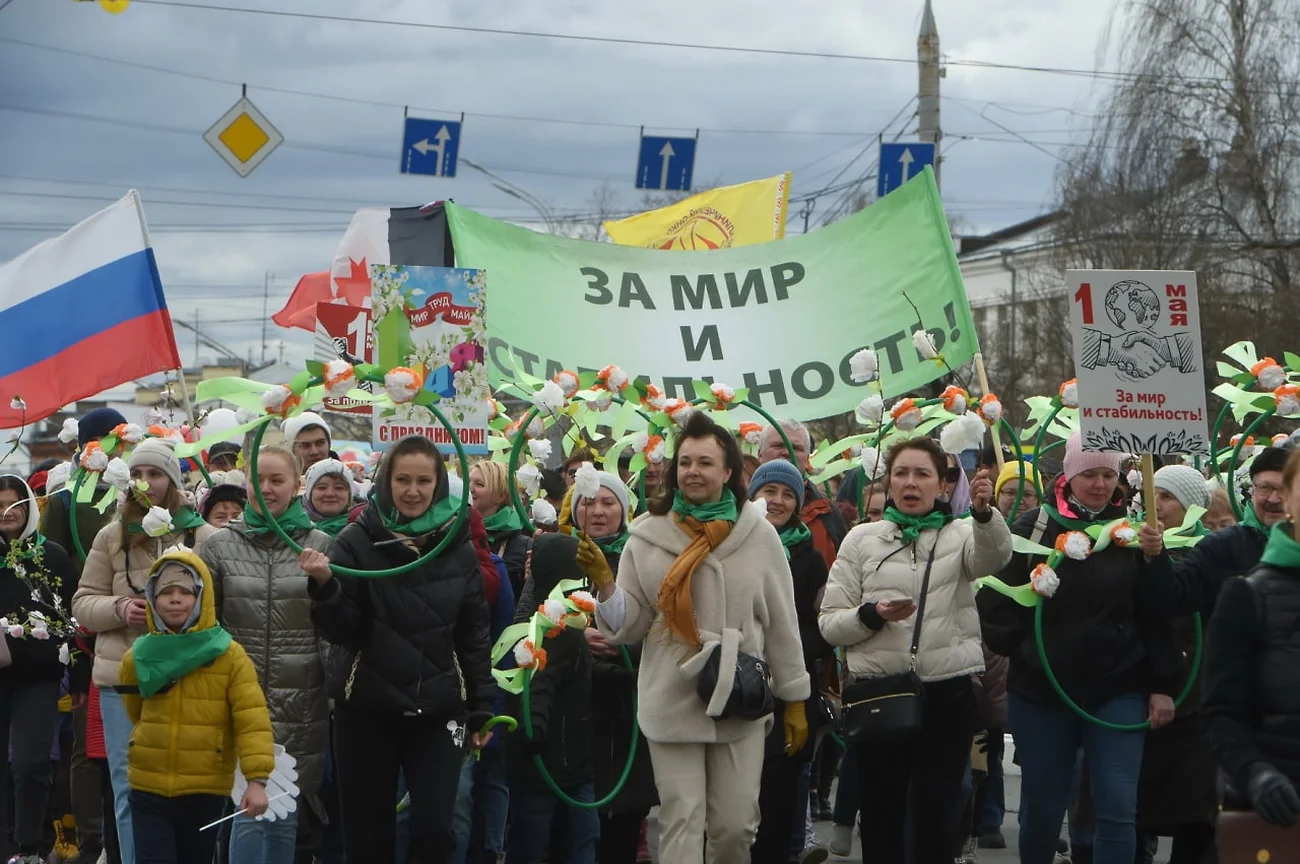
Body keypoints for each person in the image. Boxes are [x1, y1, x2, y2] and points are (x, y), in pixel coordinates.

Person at [593, 411, 810, 864]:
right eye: (686, 461)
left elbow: (782, 624)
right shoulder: (646, 536)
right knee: (682, 821)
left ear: (728, 472)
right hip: (671, 696)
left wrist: (795, 698)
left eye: (706, 462)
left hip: (740, 700)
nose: (694, 471)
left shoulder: (760, 536)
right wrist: (607, 587)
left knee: (735, 829)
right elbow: (630, 625)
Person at [978, 433, 1179, 864]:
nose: (1101, 485)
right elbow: (994, 600)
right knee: (1044, 807)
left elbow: (1158, 613)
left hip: (1118, 688)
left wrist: (1162, 684)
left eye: (1108, 474)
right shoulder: (1033, 526)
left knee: (1118, 806)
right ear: (1069, 474)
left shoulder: (1132, 532)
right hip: (1041, 690)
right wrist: (1027, 647)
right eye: (1090, 474)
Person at [818, 437, 1011, 864]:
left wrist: (984, 514)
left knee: (938, 814)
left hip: (947, 692)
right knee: (882, 814)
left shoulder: (961, 533)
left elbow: (994, 557)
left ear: (942, 484)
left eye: (922, 474)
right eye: (901, 473)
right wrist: (872, 614)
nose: (910, 483)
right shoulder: (861, 540)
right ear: (888, 482)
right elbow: (830, 623)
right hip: (880, 693)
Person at [303, 434, 494, 862]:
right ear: (386, 481)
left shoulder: (456, 545)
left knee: (435, 827)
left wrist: (481, 705)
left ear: (438, 484)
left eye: (423, 481)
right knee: (367, 832)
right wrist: (325, 589)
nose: (412, 491)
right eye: (402, 479)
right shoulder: (355, 540)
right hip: (367, 708)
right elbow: (342, 630)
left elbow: (473, 634)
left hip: (440, 707)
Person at [73, 436, 215, 864]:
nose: (145, 483)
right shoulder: (111, 536)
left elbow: (219, 604)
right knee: (128, 786)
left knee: (188, 783)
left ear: (172, 481)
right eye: (136, 474)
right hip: (124, 681)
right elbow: (83, 601)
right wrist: (119, 607)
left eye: (155, 474)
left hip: (187, 679)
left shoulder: (202, 535)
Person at [200, 446, 333, 864]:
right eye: (260, 480)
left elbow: (333, 627)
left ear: (297, 485)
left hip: (301, 697)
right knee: (250, 809)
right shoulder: (220, 546)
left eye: (278, 480)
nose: (268, 488)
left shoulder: (321, 544)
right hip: (240, 698)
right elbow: (207, 624)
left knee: (284, 808)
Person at [118, 551, 273, 864]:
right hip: (148, 786)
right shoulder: (137, 657)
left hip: (205, 788)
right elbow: (136, 711)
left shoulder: (230, 656)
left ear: (202, 596)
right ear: (150, 597)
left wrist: (257, 781)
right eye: (165, 592)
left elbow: (252, 720)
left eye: (186, 591)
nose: (175, 600)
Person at [1203, 447, 1300, 832]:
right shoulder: (1248, 597)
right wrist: (1255, 773)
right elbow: (1221, 715)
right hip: (1274, 819)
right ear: (1289, 498)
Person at [563, 471, 657, 864]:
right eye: (588, 503)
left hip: (626, 709)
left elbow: (658, 627)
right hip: (572, 712)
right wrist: (574, 638)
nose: (598, 512)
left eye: (608, 503)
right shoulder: (554, 553)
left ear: (625, 509)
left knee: (620, 826)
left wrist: (622, 644)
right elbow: (526, 621)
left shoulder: (641, 557)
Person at [746, 460, 832, 864]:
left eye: (787, 494)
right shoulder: (733, 544)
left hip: (791, 693)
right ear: (753, 496)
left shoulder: (809, 558)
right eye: (770, 491)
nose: (777, 501)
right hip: (740, 690)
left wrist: (786, 648)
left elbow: (821, 627)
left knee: (780, 803)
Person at [1133, 466, 1218, 864]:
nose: (1157, 506)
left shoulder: (1210, 554)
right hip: (1144, 694)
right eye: (1154, 494)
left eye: (1167, 498)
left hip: (1195, 701)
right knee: (1135, 811)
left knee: (1193, 814)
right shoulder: (1132, 548)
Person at [505, 533, 600, 864]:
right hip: (539, 765)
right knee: (531, 844)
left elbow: (588, 674)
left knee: (582, 839)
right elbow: (539, 684)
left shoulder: (575, 626)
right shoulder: (543, 630)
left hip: (577, 766)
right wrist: (534, 730)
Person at [0, 475, 77, 864]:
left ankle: (30, 845)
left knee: (31, 764)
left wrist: (77, 678)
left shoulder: (54, 556)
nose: (5, 514)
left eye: (13, 506)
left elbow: (72, 621)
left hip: (38, 676)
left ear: (29, 508)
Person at [758, 420, 848, 568]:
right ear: (759, 454)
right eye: (778, 445)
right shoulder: (736, 508)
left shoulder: (827, 514)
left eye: (796, 448)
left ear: (807, 459)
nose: (786, 452)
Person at [468, 461, 531, 599]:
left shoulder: (523, 544)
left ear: (500, 497)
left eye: (479, 484)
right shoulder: (456, 534)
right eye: (467, 482)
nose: (469, 488)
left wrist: (527, 580)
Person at [302, 458, 357, 537]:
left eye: (339, 488)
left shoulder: (362, 529)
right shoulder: (290, 526)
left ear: (349, 494)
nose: (330, 494)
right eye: (322, 488)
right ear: (309, 493)